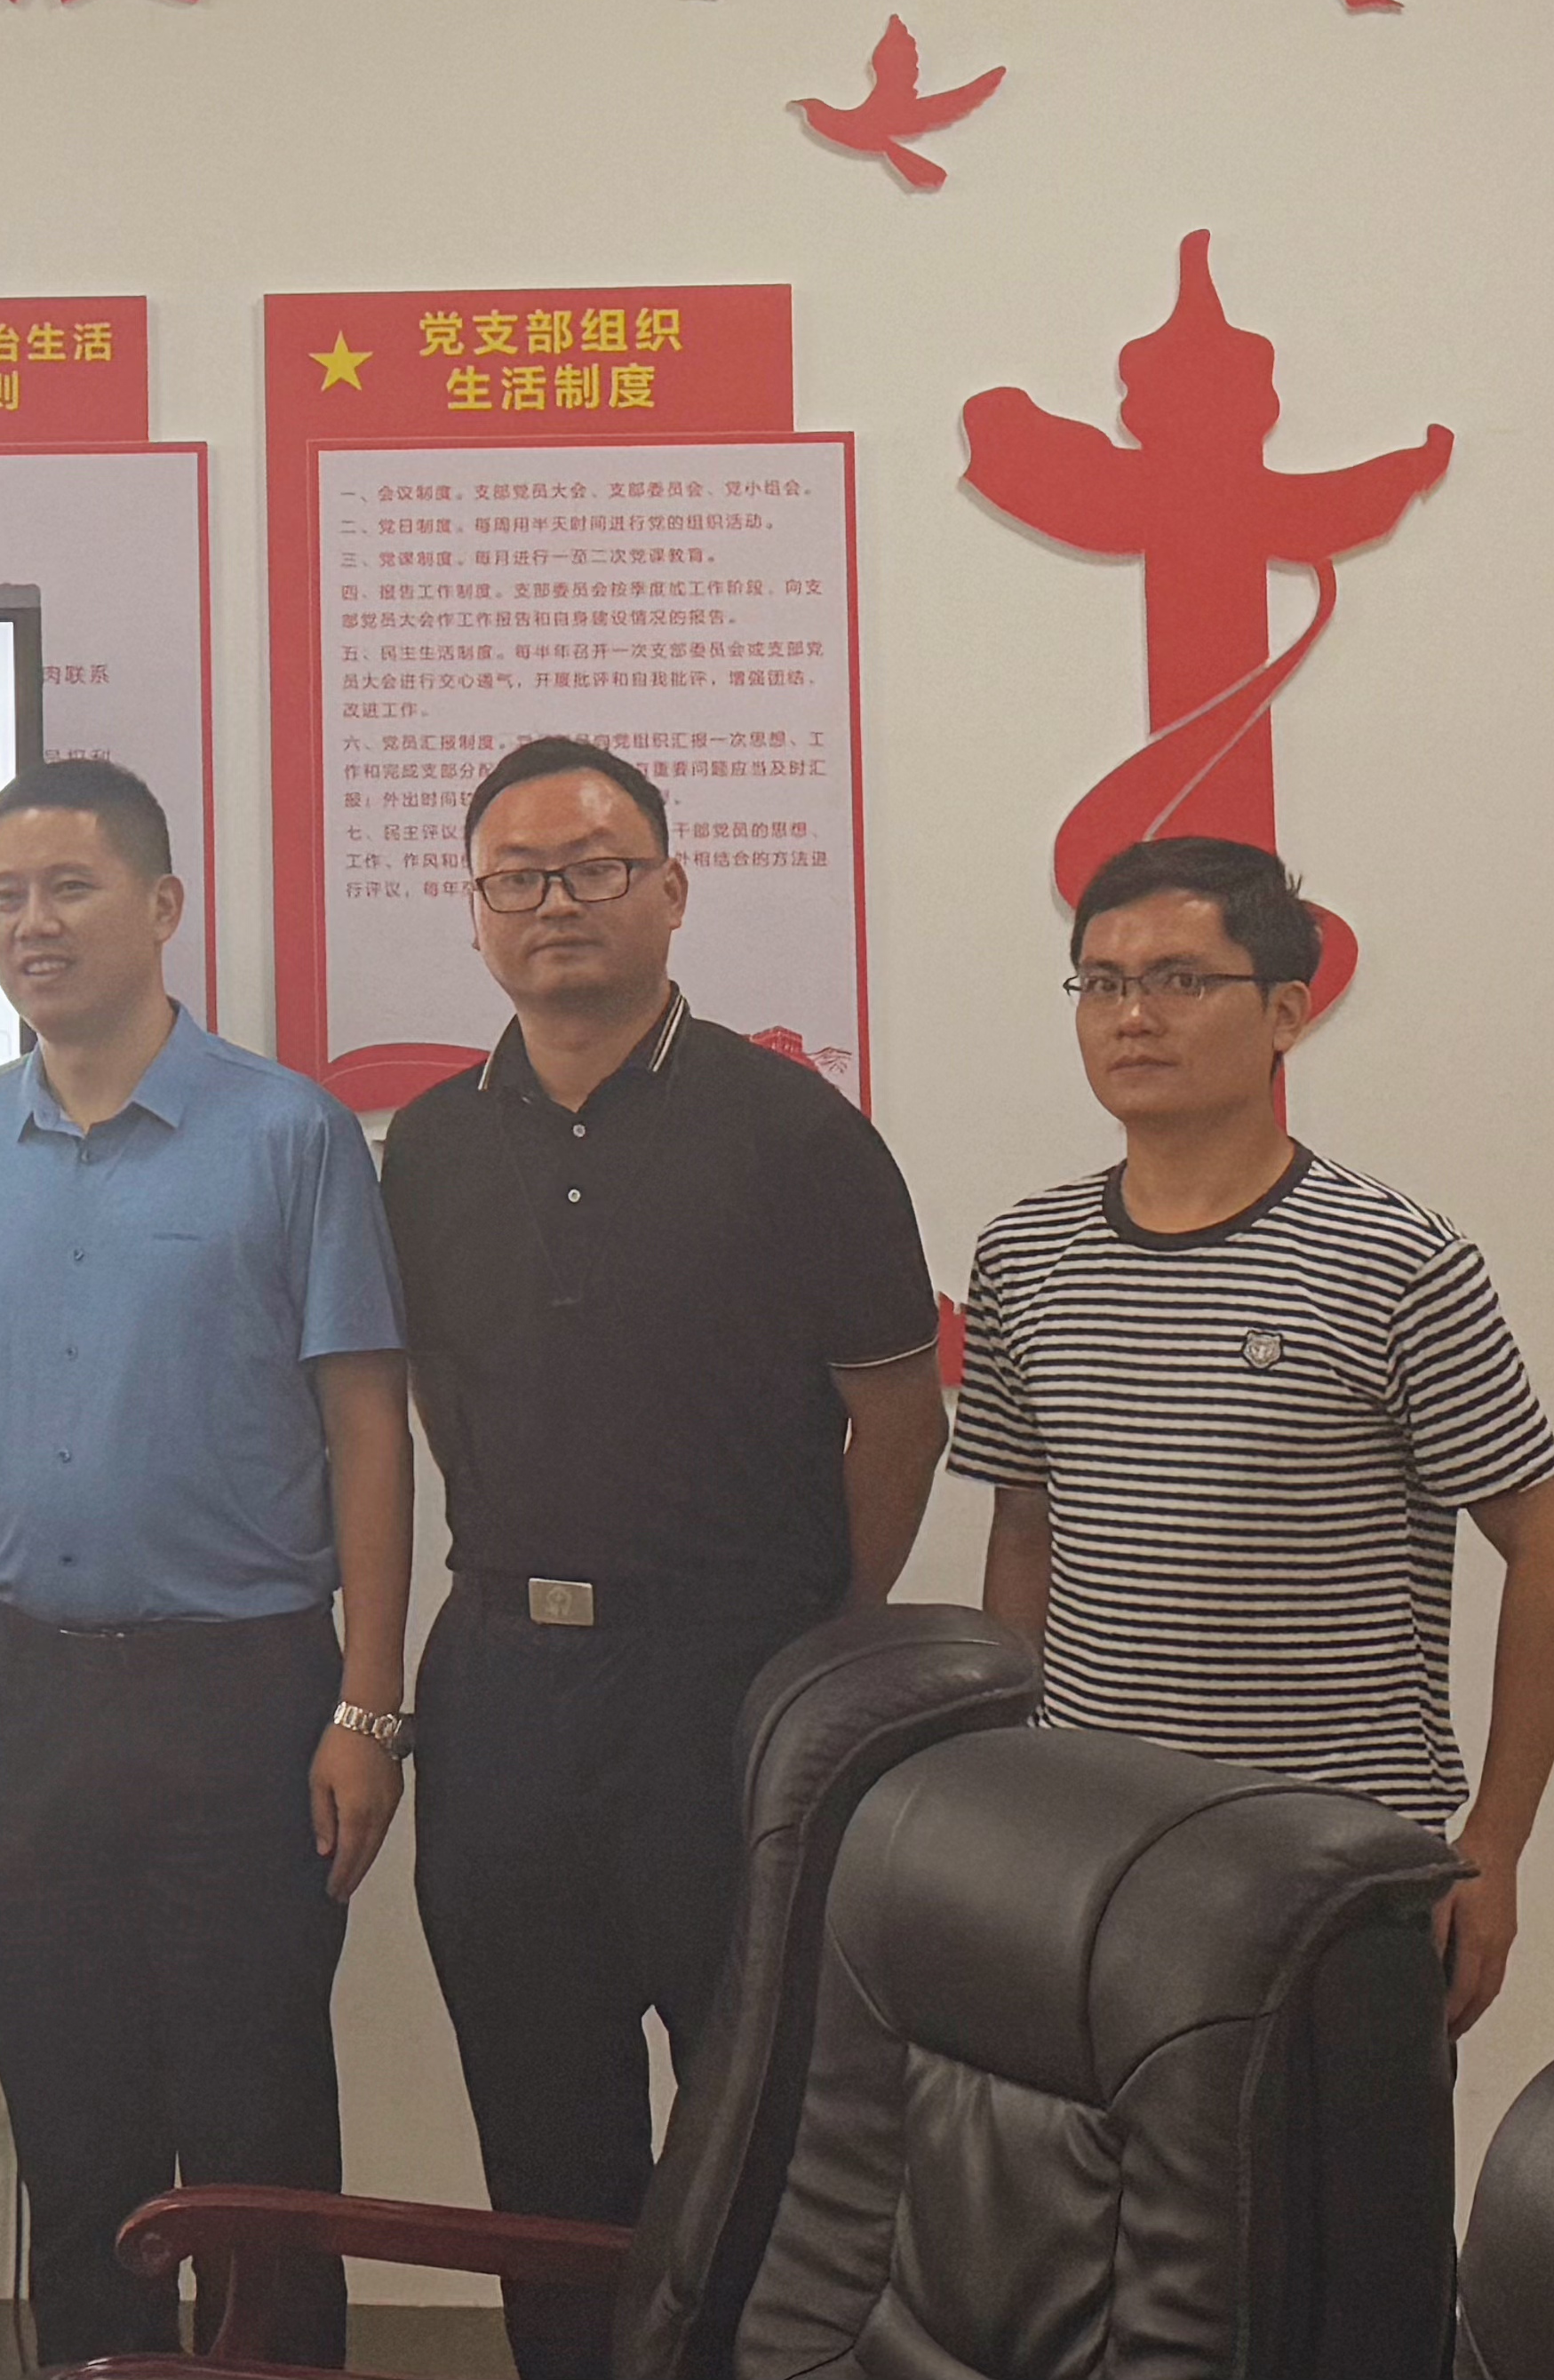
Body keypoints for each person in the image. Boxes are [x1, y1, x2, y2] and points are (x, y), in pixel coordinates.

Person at [379, 738, 944, 2380]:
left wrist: (823, 1638)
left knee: (759, 2131)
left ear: (673, 890)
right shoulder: (427, 1146)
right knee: (538, 2129)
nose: (555, 901)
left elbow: (898, 1416)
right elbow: (435, 1403)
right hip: (501, 1691)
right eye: (517, 877)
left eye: (596, 867)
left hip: (734, 1685)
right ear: (475, 911)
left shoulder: (795, 1130)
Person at [0, 760, 412, 2371]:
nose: (31, 924)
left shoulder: (290, 1131)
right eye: (3, 896)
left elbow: (368, 1430)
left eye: (69, 887)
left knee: (256, 2126)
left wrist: (369, 1705)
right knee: (71, 2121)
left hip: (244, 1690)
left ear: (163, 905)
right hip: (35, 1686)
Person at [959, 834, 1554, 2034]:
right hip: (1088, 1851)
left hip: (1338, 1861)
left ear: (1287, 1012)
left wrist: (1495, 1843)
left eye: (1182, 979)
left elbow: (1548, 1542)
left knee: (1337, 2157)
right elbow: (1023, 1528)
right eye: (1102, 982)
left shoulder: (1396, 1260)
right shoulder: (1024, 1254)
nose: (1134, 1015)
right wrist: (1004, 1789)